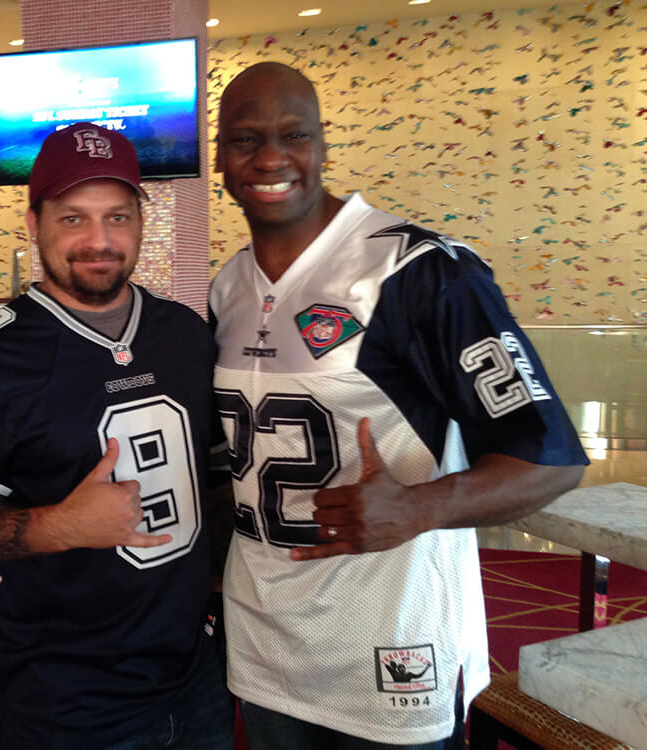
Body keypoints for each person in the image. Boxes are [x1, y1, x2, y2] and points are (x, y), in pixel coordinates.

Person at [209, 62, 587, 749]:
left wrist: (421, 506)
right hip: (264, 648)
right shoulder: (227, 287)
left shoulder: (420, 272)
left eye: (293, 135)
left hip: (392, 650)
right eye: (245, 139)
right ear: (219, 157)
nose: (270, 158)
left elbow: (551, 457)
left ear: (323, 146)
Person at [0, 122, 234, 749]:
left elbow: (217, 476)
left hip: (198, 675)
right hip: (64, 703)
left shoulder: (186, 335)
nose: (100, 240)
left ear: (142, 221)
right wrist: (58, 526)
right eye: (73, 219)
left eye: (118, 217)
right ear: (34, 222)